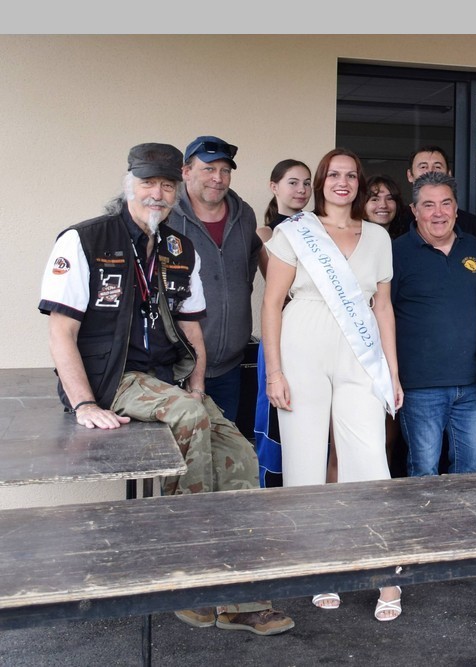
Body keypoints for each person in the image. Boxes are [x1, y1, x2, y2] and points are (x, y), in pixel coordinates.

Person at [38, 143, 293, 636]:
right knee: (188, 417)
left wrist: (197, 382)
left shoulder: (178, 247)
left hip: (165, 379)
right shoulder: (83, 239)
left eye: (167, 185)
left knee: (240, 454)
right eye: (148, 183)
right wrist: (84, 402)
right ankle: (185, 577)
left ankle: (240, 593)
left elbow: (191, 323)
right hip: (110, 380)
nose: (157, 193)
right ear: (129, 184)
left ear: (177, 190)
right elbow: (60, 331)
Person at [261, 148, 404, 621]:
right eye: (334, 175)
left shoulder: (378, 236)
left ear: (359, 183)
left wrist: (392, 372)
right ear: (321, 181)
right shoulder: (293, 232)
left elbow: (383, 306)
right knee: (305, 459)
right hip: (302, 343)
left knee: (369, 457)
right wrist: (274, 371)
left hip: (358, 351)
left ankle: (383, 569)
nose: (342, 182)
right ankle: (320, 566)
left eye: (351, 175)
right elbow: (272, 303)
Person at [392, 171, 476, 477]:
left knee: (471, 468)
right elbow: (382, 315)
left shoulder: (474, 247)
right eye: (429, 205)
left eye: (446, 203)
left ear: (456, 208)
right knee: (424, 471)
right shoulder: (396, 253)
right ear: (414, 210)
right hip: (420, 386)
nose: (439, 213)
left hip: (471, 383)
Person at [166, 136, 261, 425]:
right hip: (174, 366)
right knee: (179, 447)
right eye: (208, 169)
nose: (218, 178)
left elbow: (247, 269)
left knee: (223, 445)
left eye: (225, 170)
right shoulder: (166, 216)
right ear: (186, 172)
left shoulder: (244, 215)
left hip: (228, 366)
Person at [253, 159, 312, 487]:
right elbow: (283, 293)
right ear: (274, 186)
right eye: (293, 182)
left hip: (314, 338)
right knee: (277, 417)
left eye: (307, 183)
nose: (301, 190)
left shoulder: (319, 228)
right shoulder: (266, 233)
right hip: (283, 334)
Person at [399, 146, 476, 252]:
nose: (430, 172)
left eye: (437, 167)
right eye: (423, 167)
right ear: (410, 175)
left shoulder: (469, 223)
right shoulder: (398, 220)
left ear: (448, 174)